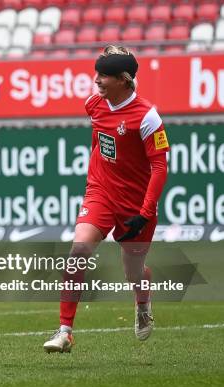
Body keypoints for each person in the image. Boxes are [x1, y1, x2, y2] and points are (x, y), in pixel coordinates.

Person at [43, 45, 169, 353]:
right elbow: (100, 140)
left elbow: (159, 165)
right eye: (97, 73)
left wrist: (145, 211)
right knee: (78, 251)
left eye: (105, 75)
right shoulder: (93, 105)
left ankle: (142, 302)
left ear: (124, 80)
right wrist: (96, 175)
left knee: (133, 271)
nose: (97, 79)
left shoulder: (148, 117)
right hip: (100, 193)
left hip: (135, 206)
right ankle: (64, 331)